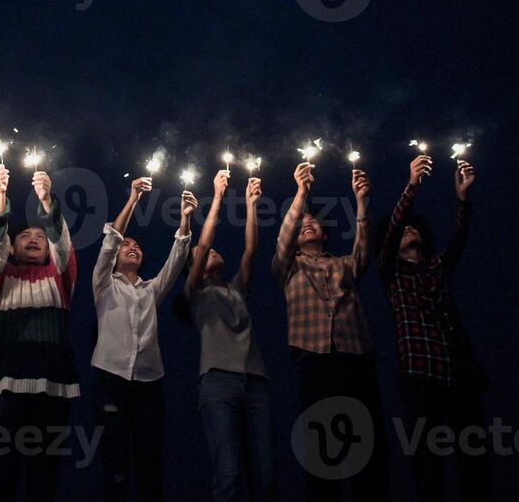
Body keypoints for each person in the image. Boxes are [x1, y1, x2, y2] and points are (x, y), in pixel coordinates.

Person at [272, 161, 386, 502]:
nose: (307, 225)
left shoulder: (343, 265)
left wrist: (361, 201)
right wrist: (302, 192)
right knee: (324, 452)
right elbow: (283, 238)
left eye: (313, 222)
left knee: (367, 448)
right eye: (303, 223)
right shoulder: (288, 267)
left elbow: (363, 251)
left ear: (324, 232)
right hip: (315, 361)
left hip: (356, 358)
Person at [379, 152, 488, 502]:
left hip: (457, 376)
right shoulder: (391, 271)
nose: (409, 229)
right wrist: (412, 184)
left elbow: (459, 240)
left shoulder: (435, 268)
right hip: (420, 376)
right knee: (428, 468)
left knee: (473, 466)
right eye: (405, 230)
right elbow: (394, 224)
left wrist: (462, 198)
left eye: (415, 227)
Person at [90, 176, 196, 501]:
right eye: (128, 245)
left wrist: (186, 218)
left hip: (149, 383)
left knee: (150, 466)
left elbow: (175, 265)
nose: (133, 247)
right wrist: (134, 198)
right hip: (110, 378)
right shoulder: (103, 283)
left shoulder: (150, 290)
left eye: (137, 246)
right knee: (116, 465)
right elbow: (110, 240)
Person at [0, 164, 79, 502]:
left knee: (43, 484)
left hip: (52, 391)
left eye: (39, 236)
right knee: (0, 480)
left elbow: (61, 242)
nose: (34, 239)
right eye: (25, 236)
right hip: (5, 392)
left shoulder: (60, 277)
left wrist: (46, 199)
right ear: (13, 247)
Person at [184, 169, 275, 502]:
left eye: (210, 251)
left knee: (265, 474)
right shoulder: (194, 292)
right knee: (229, 473)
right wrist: (218, 196)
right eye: (202, 254)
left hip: (256, 383)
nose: (211, 251)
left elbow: (250, 251)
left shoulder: (237, 289)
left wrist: (251, 204)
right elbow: (204, 241)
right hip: (217, 384)